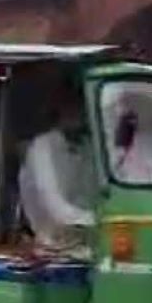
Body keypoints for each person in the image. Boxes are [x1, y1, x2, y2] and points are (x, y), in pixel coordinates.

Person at [18, 94, 96, 254]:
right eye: (75, 111)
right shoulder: (42, 147)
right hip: (50, 245)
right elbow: (55, 205)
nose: (81, 116)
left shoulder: (88, 147)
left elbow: (92, 195)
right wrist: (99, 220)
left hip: (88, 242)